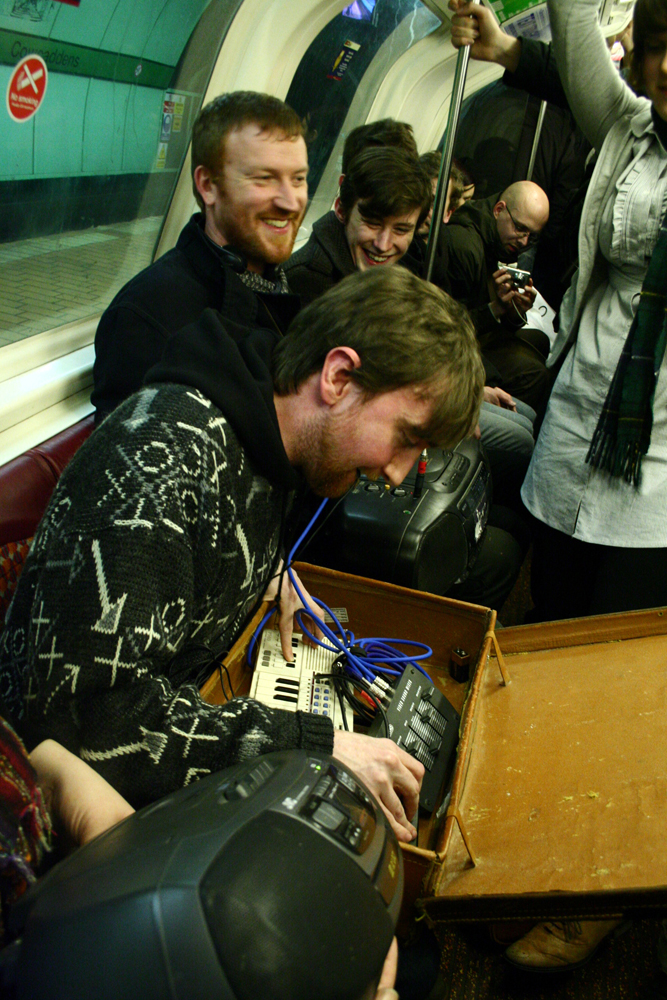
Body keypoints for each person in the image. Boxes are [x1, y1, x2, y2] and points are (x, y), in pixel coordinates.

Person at [0, 266, 484, 852]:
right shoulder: (159, 463)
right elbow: (91, 726)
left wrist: (273, 574)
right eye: (406, 438)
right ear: (337, 377)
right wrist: (316, 744)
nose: (397, 472)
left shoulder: (276, 448)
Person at [453, 0, 667, 982]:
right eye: (663, 56)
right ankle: (517, 851)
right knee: (538, 656)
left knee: (621, 694)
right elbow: (576, 35)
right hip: (577, 429)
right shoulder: (627, 128)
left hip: (659, 476)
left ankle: (596, 887)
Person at [91, 90, 306, 425]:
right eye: (264, 178)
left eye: (299, 179)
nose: (291, 202)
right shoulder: (148, 315)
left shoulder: (284, 290)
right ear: (208, 185)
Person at [417, 151, 537, 517]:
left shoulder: (437, 249)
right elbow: (446, 334)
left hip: (442, 370)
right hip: (430, 385)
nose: (441, 219)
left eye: (449, 208)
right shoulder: (459, 247)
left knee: (527, 415)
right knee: (522, 433)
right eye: (430, 209)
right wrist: (466, 392)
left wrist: (511, 311)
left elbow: (443, 332)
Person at [431, 179, 552, 414]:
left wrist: (514, 309)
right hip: (452, 346)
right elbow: (449, 328)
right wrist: (495, 308)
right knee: (535, 376)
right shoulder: (467, 245)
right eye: (520, 229)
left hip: (472, 332)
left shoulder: (492, 236)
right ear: (499, 210)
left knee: (539, 340)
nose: (524, 242)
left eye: (532, 236)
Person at [284, 147, 432, 305]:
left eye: (401, 230)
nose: (383, 245)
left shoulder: (405, 273)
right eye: (373, 223)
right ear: (341, 210)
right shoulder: (306, 280)